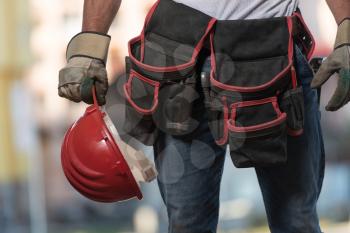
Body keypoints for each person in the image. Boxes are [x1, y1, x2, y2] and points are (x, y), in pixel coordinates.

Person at [58, 0, 350, 232]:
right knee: (187, 224)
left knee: (296, 221)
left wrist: (347, 31)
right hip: (178, 62)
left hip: (272, 59)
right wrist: (89, 47)